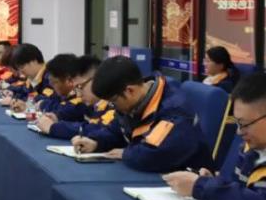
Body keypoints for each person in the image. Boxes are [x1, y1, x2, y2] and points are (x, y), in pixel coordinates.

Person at [72, 56, 211, 172]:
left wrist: (125, 153)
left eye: (113, 101)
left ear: (130, 91)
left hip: (184, 178)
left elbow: (154, 155)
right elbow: (116, 130)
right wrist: (96, 142)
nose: (113, 106)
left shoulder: (174, 108)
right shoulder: (133, 103)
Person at [37, 55, 119, 141]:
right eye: (76, 88)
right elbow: (88, 125)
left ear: (96, 80)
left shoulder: (113, 105)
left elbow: (96, 129)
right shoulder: (94, 105)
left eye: (80, 87)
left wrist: (54, 127)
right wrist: (57, 119)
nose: (79, 95)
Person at [1, 44, 54, 112]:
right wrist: (12, 92)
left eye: (22, 67)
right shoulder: (33, 77)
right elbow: (25, 91)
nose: (20, 72)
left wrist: (23, 101)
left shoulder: (51, 76)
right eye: (18, 69)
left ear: (34, 61)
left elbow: (46, 99)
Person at [36, 53, 88, 119]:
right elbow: (50, 99)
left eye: (54, 82)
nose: (51, 84)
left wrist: (42, 104)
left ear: (69, 81)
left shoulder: (81, 97)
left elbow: (64, 111)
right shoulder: (63, 93)